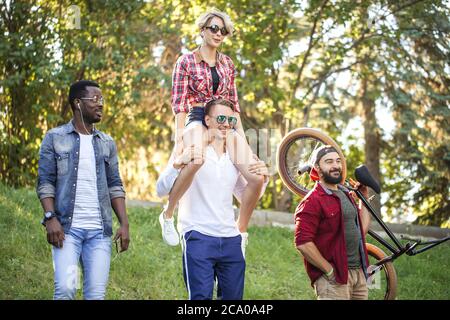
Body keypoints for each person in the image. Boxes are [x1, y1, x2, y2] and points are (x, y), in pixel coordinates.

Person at [160, 8, 264, 247]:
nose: (219, 34)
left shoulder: (228, 64)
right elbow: (179, 105)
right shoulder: (186, 61)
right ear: (202, 30)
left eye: (223, 31)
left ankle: (240, 232)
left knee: (257, 177)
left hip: (225, 121)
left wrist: (244, 143)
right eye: (214, 28)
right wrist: (179, 140)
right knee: (196, 159)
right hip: (198, 116)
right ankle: (168, 213)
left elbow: (235, 106)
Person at [157, 99, 268, 299]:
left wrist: (263, 178)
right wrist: (177, 163)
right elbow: (160, 189)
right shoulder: (192, 148)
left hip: (231, 238)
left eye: (231, 120)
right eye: (221, 118)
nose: (226, 124)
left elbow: (246, 196)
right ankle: (167, 216)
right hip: (198, 235)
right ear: (207, 120)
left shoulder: (234, 157)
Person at [36, 80, 130, 300]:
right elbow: (45, 182)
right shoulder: (55, 138)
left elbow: (115, 184)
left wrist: (124, 223)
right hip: (67, 233)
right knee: (66, 290)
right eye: (95, 99)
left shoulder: (107, 142)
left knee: (95, 296)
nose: (101, 104)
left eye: (102, 100)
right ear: (77, 103)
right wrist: (50, 217)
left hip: (99, 234)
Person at [294, 145, 371, 300]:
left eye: (338, 161)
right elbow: (302, 243)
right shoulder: (312, 200)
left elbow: (362, 230)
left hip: (359, 275)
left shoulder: (346, 194)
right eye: (329, 162)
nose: (335, 165)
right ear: (317, 168)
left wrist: (364, 199)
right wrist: (328, 270)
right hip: (334, 279)